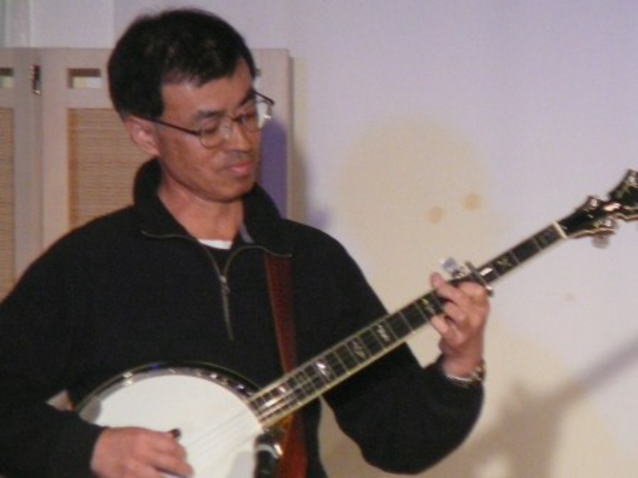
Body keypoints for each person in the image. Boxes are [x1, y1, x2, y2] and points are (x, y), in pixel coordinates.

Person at [0, 8, 489, 478]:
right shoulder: (87, 266)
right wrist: (89, 448)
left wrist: (460, 364)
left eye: (247, 112)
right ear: (145, 134)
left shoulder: (310, 262)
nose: (240, 141)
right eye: (209, 127)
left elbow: (398, 441)